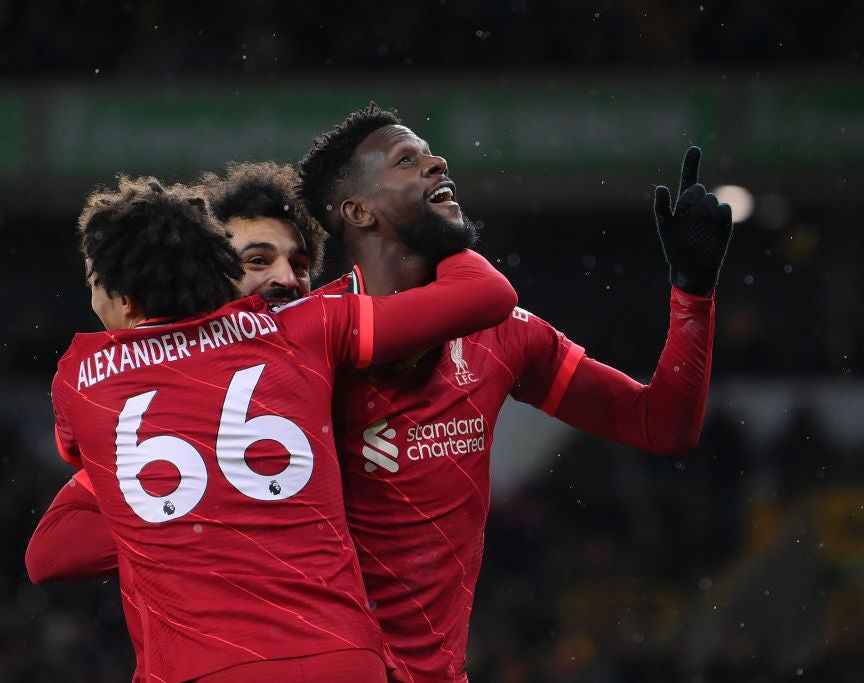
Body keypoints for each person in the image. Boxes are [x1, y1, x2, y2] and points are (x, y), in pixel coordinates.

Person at [294, 103, 733, 682]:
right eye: (407, 161)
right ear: (358, 210)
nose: (435, 163)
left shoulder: (503, 334)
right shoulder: (307, 337)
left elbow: (662, 424)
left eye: (430, 153)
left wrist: (692, 292)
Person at [42, 174, 517, 682]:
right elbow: (487, 294)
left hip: (204, 665)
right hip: (343, 659)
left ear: (127, 301)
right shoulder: (305, 328)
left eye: (95, 287)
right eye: (257, 260)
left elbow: (48, 553)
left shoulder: (81, 377)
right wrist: (431, 222)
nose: (286, 280)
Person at [25, 162, 328, 681]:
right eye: (257, 260)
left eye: (300, 265)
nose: (286, 279)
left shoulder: (328, 372)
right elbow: (50, 553)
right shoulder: (137, 419)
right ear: (206, 269)